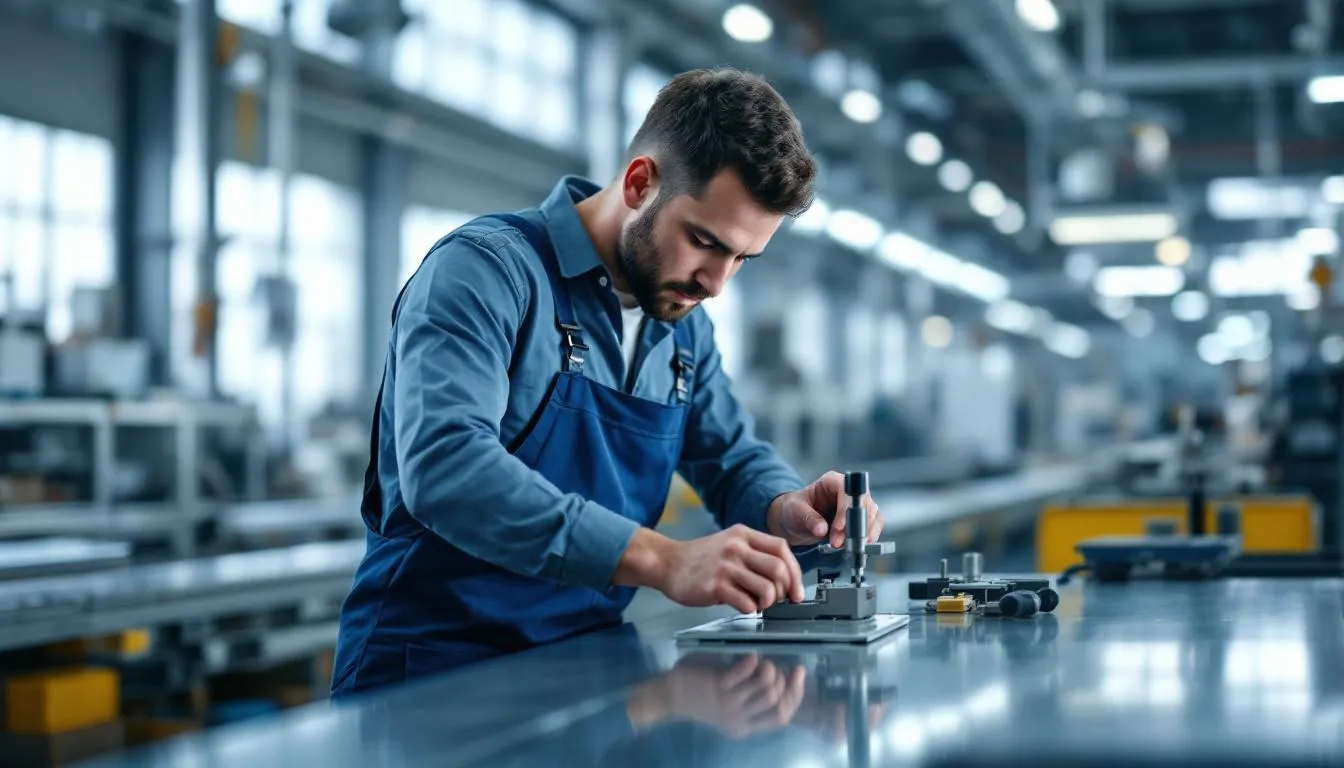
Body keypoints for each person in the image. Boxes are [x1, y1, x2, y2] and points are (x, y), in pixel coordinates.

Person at [330, 67, 884, 700]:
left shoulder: (680, 327)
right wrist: (664, 560)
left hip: (582, 665)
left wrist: (787, 507)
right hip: (430, 671)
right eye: (704, 242)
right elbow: (446, 469)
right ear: (640, 182)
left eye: (741, 259)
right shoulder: (486, 273)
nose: (716, 283)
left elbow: (728, 457)